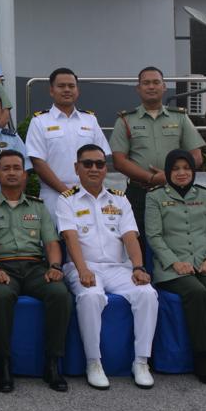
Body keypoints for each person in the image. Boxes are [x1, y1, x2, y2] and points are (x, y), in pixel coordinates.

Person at [57, 144, 157, 390]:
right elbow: (70, 238)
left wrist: (138, 267)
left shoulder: (119, 199)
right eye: (87, 163)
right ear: (76, 168)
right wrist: (82, 270)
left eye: (99, 164)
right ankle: (94, 362)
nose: (94, 168)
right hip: (82, 265)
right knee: (91, 296)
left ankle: (141, 361)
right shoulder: (66, 199)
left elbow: (130, 236)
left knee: (147, 294)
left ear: (105, 168)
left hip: (116, 267)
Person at [0, 150, 70, 393]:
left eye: (16, 168)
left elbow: (51, 243)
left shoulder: (38, 207)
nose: (11, 173)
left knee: (59, 293)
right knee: (0, 296)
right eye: (6, 168)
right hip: (2, 267)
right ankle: (4, 365)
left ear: (25, 173)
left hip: (34, 267)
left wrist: (54, 267)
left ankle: (53, 363)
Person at [145, 149, 206, 386]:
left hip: (205, 264)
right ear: (167, 172)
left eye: (186, 168)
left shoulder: (204, 195)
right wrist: (175, 262)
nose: (182, 173)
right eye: (175, 169)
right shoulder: (154, 197)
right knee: (196, 292)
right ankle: (202, 357)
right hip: (172, 267)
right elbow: (154, 237)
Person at [110, 66, 205, 223]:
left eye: (156, 82)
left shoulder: (180, 117)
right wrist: (151, 178)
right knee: (139, 240)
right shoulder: (125, 120)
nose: (151, 86)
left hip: (175, 191)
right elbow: (119, 161)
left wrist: (169, 176)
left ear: (164, 87)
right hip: (139, 193)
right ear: (138, 88)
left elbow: (197, 157)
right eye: (146, 83)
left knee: (176, 240)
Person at [25, 68, 109, 208]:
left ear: (77, 90)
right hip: (53, 195)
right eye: (61, 86)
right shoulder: (40, 121)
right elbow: (38, 162)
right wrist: (67, 192)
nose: (67, 90)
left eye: (71, 86)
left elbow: (101, 158)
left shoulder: (90, 120)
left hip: (89, 194)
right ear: (51, 91)